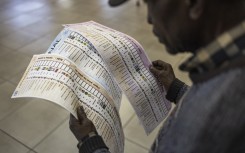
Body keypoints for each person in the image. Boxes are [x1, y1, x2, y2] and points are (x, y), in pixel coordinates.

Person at [70, 0, 245, 152]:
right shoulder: (227, 65)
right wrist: (177, 89)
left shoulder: (210, 120)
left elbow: (207, 111)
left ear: (194, 3)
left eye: (151, 2)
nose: (149, 18)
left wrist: (90, 141)